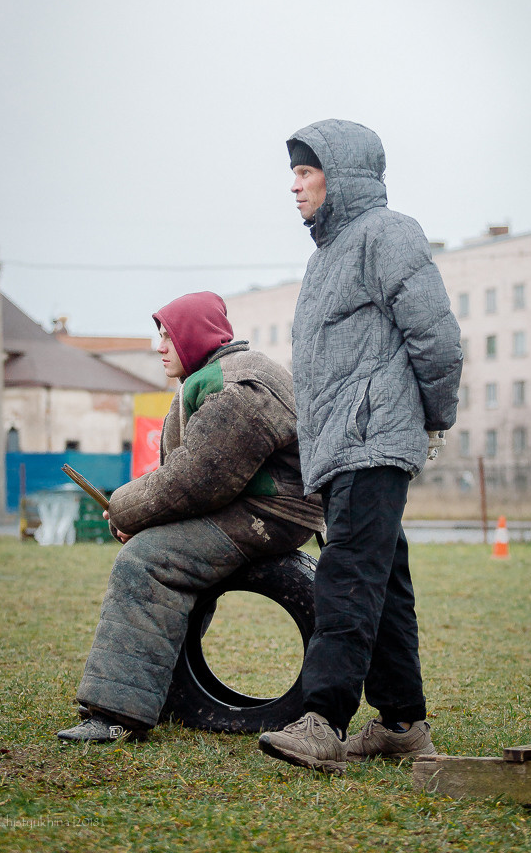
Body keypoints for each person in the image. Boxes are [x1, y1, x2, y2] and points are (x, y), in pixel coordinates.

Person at [259, 119, 463, 775]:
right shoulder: (326, 256)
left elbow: (437, 338)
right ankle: (402, 723)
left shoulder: (385, 233)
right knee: (383, 579)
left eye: (305, 171)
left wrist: (430, 417)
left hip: (372, 441)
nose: (294, 186)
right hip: (342, 447)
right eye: (292, 172)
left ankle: (323, 719)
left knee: (346, 573)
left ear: (339, 176)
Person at [57, 291, 323, 742]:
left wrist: (125, 509)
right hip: (256, 506)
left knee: (149, 560)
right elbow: (196, 479)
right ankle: (157, 692)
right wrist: (147, 515)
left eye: (167, 335)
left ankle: (115, 714)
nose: (159, 346)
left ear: (194, 335)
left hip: (271, 513)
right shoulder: (218, 377)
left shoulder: (237, 389)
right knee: (163, 551)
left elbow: (198, 480)